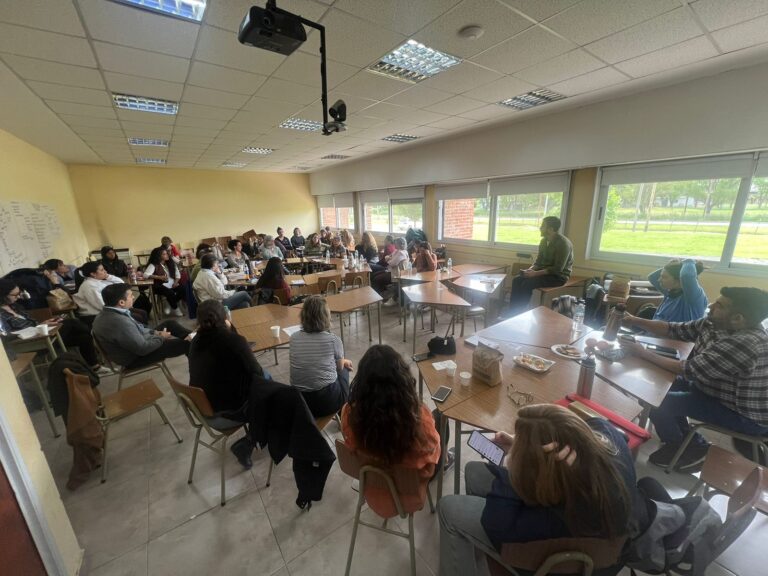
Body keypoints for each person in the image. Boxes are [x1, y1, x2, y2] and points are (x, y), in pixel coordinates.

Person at [438, 404, 641, 576]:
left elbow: (495, 526)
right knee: (474, 471)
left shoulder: (553, 521)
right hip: (609, 548)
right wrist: (526, 449)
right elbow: (603, 428)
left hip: (553, 556)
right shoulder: (611, 446)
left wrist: (515, 467)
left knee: (449, 508)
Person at [621, 287, 768, 469]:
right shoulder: (714, 323)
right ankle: (686, 437)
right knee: (655, 385)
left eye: (719, 305)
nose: (711, 306)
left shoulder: (746, 342)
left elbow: (689, 370)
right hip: (710, 389)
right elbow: (673, 329)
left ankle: (690, 448)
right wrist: (634, 320)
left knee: (658, 403)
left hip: (740, 413)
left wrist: (642, 353)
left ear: (738, 318)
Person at [341, 345, 440, 517]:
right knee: (439, 419)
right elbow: (431, 457)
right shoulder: (419, 419)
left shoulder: (349, 414)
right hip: (408, 497)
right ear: (403, 380)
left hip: (372, 491)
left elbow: (351, 445)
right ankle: (448, 459)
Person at [189, 299, 269, 468]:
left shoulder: (195, 341)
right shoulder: (234, 341)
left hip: (203, 409)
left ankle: (257, 436)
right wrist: (232, 330)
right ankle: (250, 441)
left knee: (267, 387)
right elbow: (258, 373)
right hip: (227, 413)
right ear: (225, 317)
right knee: (270, 389)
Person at [0, 279, 107, 373]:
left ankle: (95, 367)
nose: (18, 297)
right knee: (72, 323)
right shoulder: (1, 315)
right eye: (14, 295)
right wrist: (37, 327)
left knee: (83, 337)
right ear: (2, 295)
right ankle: (103, 343)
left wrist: (44, 323)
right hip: (28, 344)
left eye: (19, 293)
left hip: (42, 336)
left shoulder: (15, 306)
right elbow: (7, 336)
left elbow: (33, 323)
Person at [93, 283, 191, 369]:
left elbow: (139, 329)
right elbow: (143, 349)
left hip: (137, 344)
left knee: (170, 324)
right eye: (131, 296)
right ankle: (197, 346)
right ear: (121, 302)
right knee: (188, 344)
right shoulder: (119, 322)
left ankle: (196, 336)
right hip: (135, 358)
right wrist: (161, 337)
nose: (133, 297)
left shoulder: (108, 312)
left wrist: (154, 332)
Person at [289, 295, 352, 417]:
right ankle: (342, 412)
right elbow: (338, 368)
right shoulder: (334, 340)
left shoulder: (293, 338)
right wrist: (343, 361)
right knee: (345, 368)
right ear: (326, 316)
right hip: (326, 402)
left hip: (301, 403)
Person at [508, 216, 573, 314]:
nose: (540, 228)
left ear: (550, 229)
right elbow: (538, 261)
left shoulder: (563, 244)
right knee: (517, 279)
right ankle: (512, 312)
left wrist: (535, 274)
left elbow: (558, 269)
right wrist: (530, 270)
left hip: (558, 277)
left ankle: (520, 314)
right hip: (543, 273)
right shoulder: (543, 241)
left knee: (527, 284)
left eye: (543, 226)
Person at [73, 261, 150, 325]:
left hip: (112, 308)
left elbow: (121, 284)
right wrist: (123, 308)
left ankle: (143, 333)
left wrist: (108, 276)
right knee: (138, 317)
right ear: (93, 274)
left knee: (142, 312)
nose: (105, 271)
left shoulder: (98, 281)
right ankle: (138, 337)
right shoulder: (89, 286)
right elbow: (101, 305)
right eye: (102, 270)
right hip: (97, 315)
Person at [647, 258, 707, 323]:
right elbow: (652, 277)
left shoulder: (693, 297)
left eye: (664, 277)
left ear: (679, 280)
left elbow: (686, 275)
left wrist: (688, 261)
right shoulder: (670, 292)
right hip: (654, 331)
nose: (659, 280)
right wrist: (675, 265)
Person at [144, 247, 185, 317]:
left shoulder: (171, 263)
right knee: (170, 293)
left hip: (171, 283)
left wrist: (175, 282)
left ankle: (169, 303)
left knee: (183, 289)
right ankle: (176, 308)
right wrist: (159, 277)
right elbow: (145, 275)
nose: (167, 255)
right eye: (164, 254)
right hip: (159, 285)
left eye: (166, 253)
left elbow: (177, 275)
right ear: (159, 256)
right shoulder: (153, 264)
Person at [372, 237, 409, 306]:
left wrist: (389, 259)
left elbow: (392, 263)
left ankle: (379, 298)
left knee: (376, 279)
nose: (394, 244)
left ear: (400, 244)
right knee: (375, 275)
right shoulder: (396, 251)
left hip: (396, 275)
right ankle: (383, 296)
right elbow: (387, 257)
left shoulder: (402, 253)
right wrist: (389, 259)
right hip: (390, 271)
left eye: (396, 243)